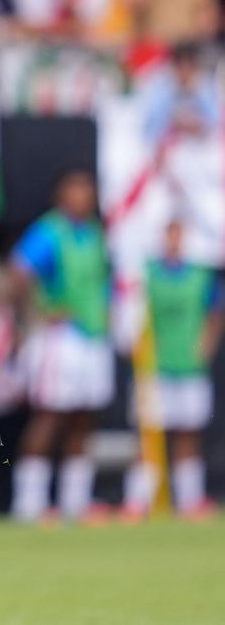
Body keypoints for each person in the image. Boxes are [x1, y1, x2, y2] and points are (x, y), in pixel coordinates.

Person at [10, 169, 113, 524]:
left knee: (84, 417)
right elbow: (19, 270)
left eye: (88, 189)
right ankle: (29, 502)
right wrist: (40, 309)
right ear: (61, 195)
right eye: (76, 189)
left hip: (93, 334)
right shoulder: (50, 231)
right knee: (51, 415)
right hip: (61, 337)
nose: (83, 196)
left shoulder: (96, 232)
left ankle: (75, 501)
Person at [124, 220, 223, 520]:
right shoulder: (146, 275)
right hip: (154, 367)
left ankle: (190, 499)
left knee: (188, 432)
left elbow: (215, 313)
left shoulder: (200, 276)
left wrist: (206, 346)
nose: (174, 241)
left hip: (189, 366)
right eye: (170, 234)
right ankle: (136, 500)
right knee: (149, 434)